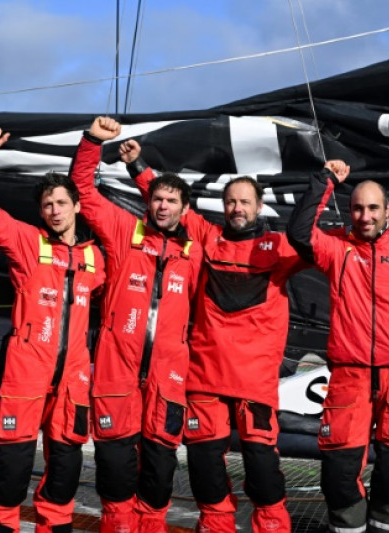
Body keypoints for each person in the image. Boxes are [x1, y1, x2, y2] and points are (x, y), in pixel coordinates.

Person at [120, 138, 304, 533]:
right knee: (204, 471)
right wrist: (138, 164)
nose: (238, 209)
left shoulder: (280, 248)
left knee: (263, 475)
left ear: (259, 207)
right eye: (231, 202)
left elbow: (322, 244)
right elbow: (166, 202)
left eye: (245, 202)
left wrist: (379, 230)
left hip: (255, 383)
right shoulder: (206, 236)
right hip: (204, 380)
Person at [286, 160, 389, 533]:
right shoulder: (338, 248)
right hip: (349, 378)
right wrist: (325, 181)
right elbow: (299, 232)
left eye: (372, 208)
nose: (365, 216)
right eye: (357, 207)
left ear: (388, 211)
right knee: (337, 472)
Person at [0, 125, 105, 533]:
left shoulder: (97, 258)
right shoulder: (28, 243)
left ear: (77, 206)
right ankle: (1, 524)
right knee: (12, 466)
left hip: (73, 380)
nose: (55, 210)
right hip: (26, 372)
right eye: (48, 204)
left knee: (65, 468)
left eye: (62, 202)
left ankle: (55, 526)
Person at [69, 117, 203, 533]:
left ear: (184, 209)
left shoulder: (196, 252)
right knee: (114, 471)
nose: (162, 206)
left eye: (171, 201)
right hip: (117, 376)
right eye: (157, 199)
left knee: (160, 476)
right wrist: (92, 141)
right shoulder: (124, 230)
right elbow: (83, 190)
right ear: (149, 201)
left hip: (168, 380)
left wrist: (141, 166)